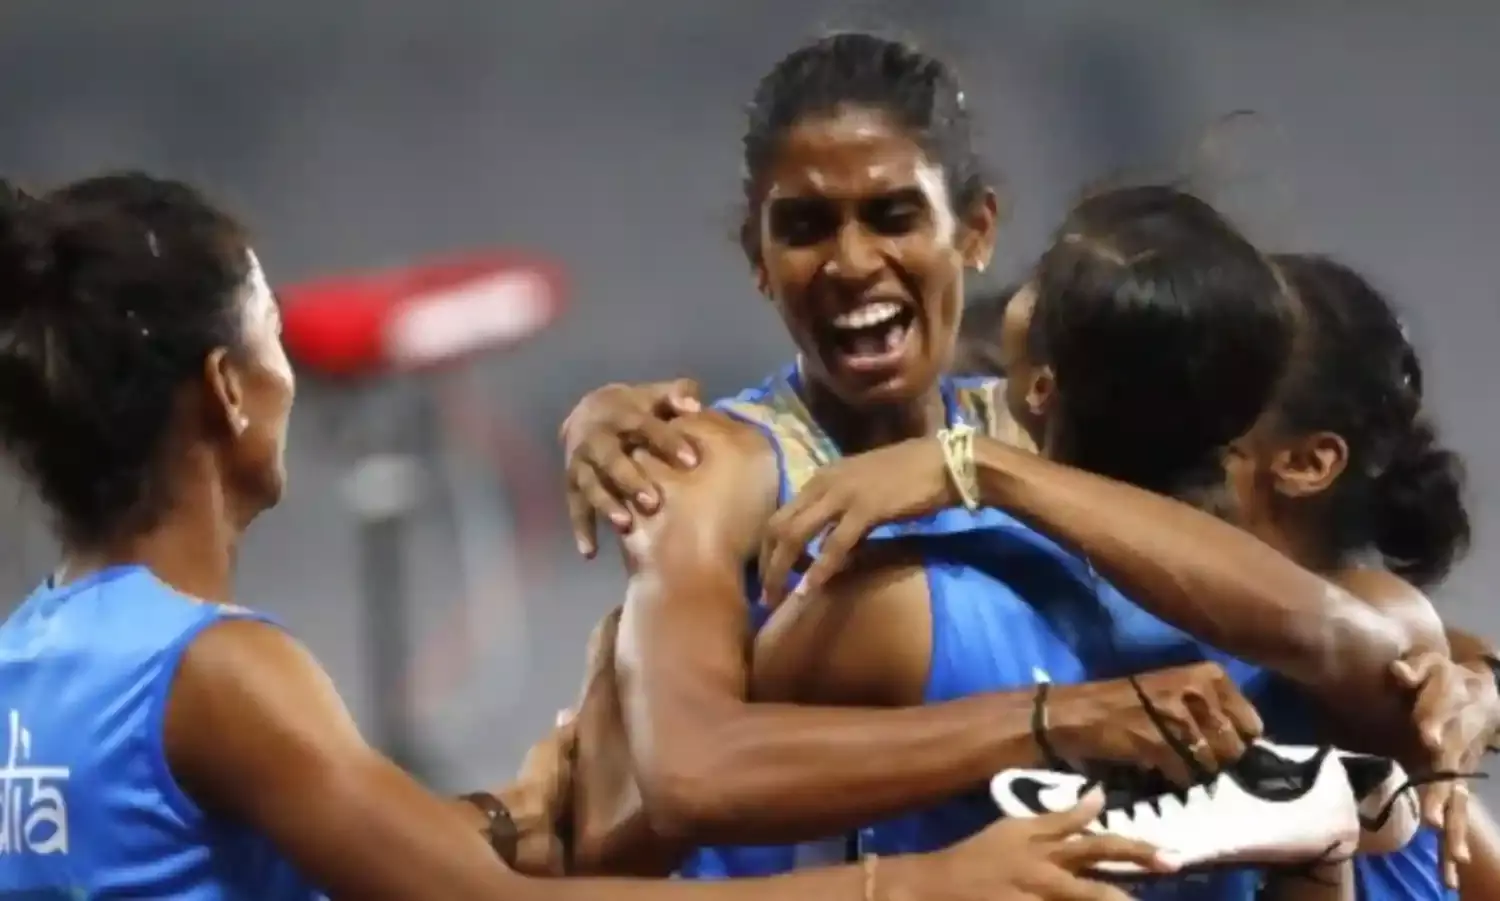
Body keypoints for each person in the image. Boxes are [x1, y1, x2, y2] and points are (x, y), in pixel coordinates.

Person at [0, 173, 1163, 901]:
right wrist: (916, 886)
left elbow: (327, 839)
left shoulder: (30, 657)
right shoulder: (218, 673)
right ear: (227, 388)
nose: (289, 370)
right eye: (273, 335)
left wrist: (504, 816)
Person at [558, 30, 1367, 898]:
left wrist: (979, 467)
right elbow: (689, 776)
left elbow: (1320, 625)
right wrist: (1054, 721)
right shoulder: (709, 470)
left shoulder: (1037, 422)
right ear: (758, 257)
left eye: (893, 215)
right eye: (804, 226)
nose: (851, 262)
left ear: (975, 230)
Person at [559, 253, 1491, 898]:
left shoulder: (1378, 656)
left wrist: (983, 469)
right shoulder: (932, 595)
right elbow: (643, 813)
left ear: (1306, 462)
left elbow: (622, 826)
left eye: (1218, 402)